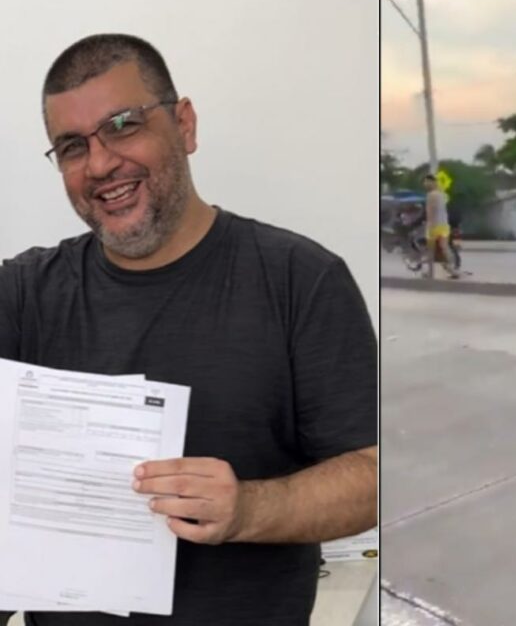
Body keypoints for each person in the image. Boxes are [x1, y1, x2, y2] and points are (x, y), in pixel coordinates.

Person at [0, 33, 377, 626]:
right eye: (72, 146)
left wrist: (249, 509)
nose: (100, 164)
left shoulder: (301, 280)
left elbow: (374, 474)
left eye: (123, 125)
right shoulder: (24, 295)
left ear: (185, 125)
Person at [422, 174, 459, 279]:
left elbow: (430, 211)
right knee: (444, 248)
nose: (425, 184)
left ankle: (430, 272)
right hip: (444, 225)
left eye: (427, 181)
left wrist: (429, 226)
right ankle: (453, 269)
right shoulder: (442, 194)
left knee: (431, 250)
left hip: (434, 225)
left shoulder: (431, 195)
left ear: (432, 182)